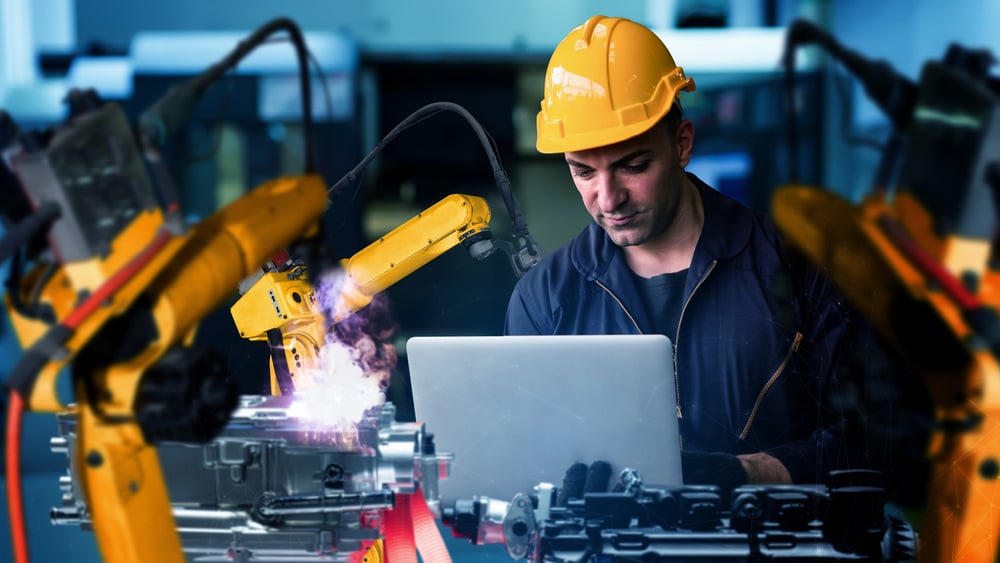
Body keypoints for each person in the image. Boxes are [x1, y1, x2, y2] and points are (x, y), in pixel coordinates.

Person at [505, 14, 874, 489]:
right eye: (584, 172)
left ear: (682, 144)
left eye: (632, 166)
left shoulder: (799, 269)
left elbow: (874, 442)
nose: (608, 198)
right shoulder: (543, 300)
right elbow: (522, 457)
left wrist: (750, 473)